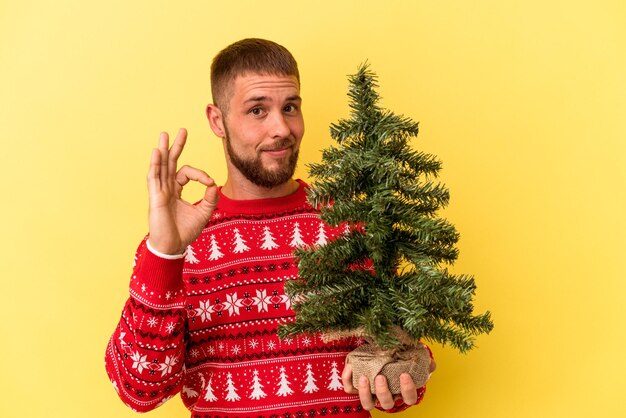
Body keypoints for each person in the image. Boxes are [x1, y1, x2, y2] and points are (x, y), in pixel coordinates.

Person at [105, 38, 435, 417]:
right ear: (217, 120)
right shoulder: (180, 243)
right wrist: (164, 253)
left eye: (290, 107)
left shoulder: (351, 227)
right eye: (257, 110)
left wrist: (400, 377)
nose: (281, 128)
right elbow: (139, 391)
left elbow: (386, 362)